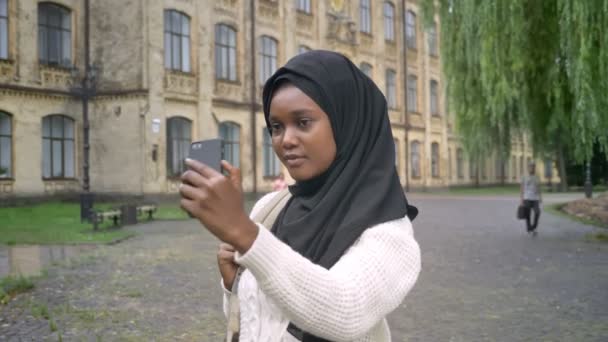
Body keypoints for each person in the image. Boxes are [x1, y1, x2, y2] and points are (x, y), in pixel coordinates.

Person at [179, 50, 420, 341]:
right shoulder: (269, 209)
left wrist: (244, 233)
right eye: (276, 127)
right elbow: (258, 326)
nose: (286, 140)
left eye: (303, 122)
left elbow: (346, 312)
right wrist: (234, 284)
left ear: (347, 122)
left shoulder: (389, 233)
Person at [520, 162, 542, 235]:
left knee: (537, 212)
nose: (532, 168)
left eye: (533, 167)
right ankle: (529, 228)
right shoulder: (524, 177)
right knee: (527, 214)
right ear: (528, 168)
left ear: (534, 168)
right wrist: (521, 199)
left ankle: (533, 226)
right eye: (530, 167)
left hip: (535, 198)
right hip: (527, 198)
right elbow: (522, 189)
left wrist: (540, 197)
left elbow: (538, 187)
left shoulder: (537, 177)